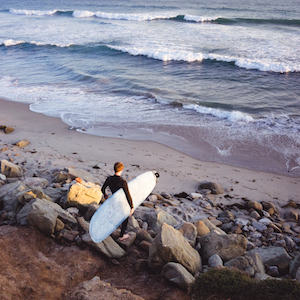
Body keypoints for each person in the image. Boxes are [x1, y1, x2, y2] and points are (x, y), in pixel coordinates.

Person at [101, 162, 134, 241]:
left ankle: (107, 231)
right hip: (120, 202)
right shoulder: (123, 182)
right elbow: (127, 195)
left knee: (112, 216)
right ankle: (121, 236)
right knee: (125, 218)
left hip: (113, 201)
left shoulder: (109, 179)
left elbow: (102, 189)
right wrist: (131, 207)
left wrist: (105, 195)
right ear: (121, 170)